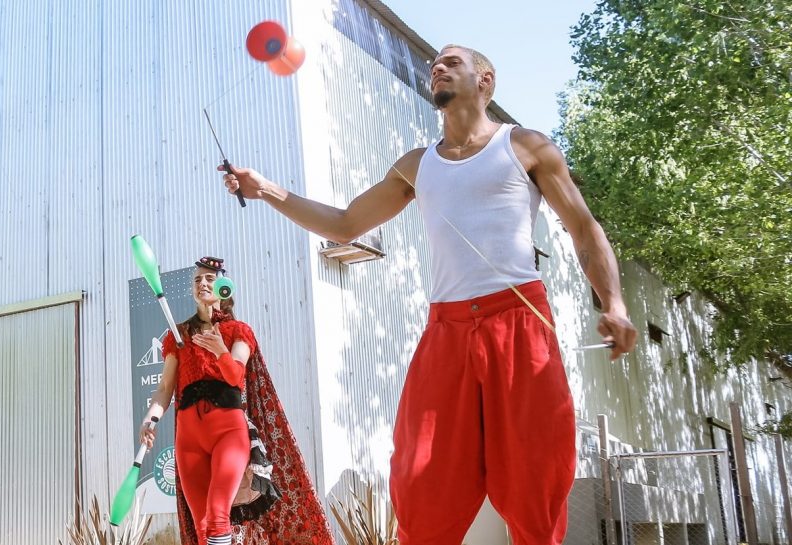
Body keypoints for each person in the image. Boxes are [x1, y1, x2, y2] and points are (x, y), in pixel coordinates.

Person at [222, 45, 639, 545]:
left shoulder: (526, 146)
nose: (436, 67)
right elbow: (346, 224)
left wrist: (613, 302)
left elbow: (584, 229)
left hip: (520, 323)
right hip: (447, 330)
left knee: (534, 485)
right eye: (433, 64)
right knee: (421, 481)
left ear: (485, 80)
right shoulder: (416, 166)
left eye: (452, 62)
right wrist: (265, 188)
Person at [139, 257, 333, 545]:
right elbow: (165, 388)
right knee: (202, 524)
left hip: (229, 433)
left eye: (209, 278)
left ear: (224, 287)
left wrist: (220, 350)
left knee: (218, 515)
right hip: (189, 440)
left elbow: (234, 376)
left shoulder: (238, 330)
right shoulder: (178, 336)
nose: (202, 283)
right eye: (197, 279)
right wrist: (151, 417)